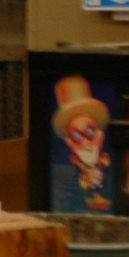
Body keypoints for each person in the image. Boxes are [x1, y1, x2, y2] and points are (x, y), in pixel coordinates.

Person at [47, 75, 112, 212]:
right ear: (69, 142)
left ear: (100, 135)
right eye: (76, 136)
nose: (86, 143)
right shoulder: (60, 175)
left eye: (90, 132)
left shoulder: (115, 166)